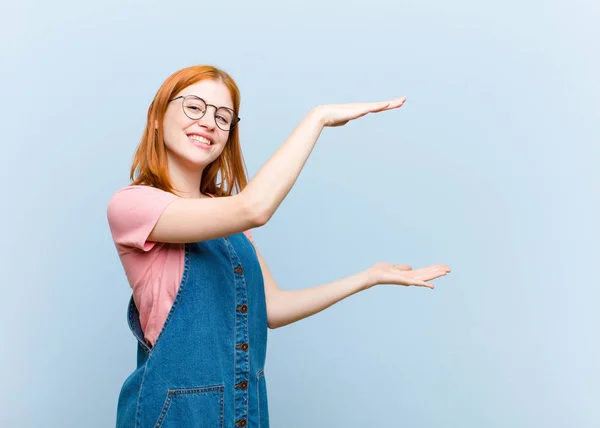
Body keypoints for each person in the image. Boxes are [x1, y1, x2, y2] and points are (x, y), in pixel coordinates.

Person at [106, 64, 451, 428]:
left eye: (223, 117)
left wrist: (369, 277)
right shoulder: (133, 206)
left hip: (243, 411)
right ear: (158, 116)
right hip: (176, 416)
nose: (208, 122)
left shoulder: (230, 225)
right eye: (194, 107)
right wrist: (317, 119)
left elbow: (273, 307)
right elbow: (254, 208)